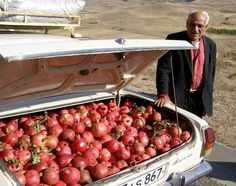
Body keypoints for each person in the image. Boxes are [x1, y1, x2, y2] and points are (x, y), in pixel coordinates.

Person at [156, 10, 217, 118]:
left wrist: (206, 101)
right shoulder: (173, 40)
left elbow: (210, 75)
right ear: (186, 24)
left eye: (200, 26)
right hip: (176, 97)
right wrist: (163, 94)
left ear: (206, 27)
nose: (195, 29)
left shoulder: (211, 45)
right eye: (192, 25)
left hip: (198, 99)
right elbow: (163, 70)